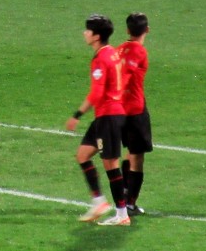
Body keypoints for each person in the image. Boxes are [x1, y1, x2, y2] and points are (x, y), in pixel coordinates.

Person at [65, 14, 130, 226]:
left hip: (109, 116)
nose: (84, 33)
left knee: (111, 164)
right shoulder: (112, 53)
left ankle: (122, 214)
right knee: (83, 155)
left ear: (96, 36)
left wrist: (77, 115)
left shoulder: (101, 58)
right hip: (108, 114)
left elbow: (96, 94)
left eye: (88, 30)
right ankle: (99, 201)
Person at [118, 12, 153, 217]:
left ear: (128, 30)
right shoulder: (138, 51)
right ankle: (129, 203)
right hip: (135, 109)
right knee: (137, 157)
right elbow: (126, 74)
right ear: (147, 30)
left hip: (120, 109)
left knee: (129, 152)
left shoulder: (119, 49)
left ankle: (124, 195)